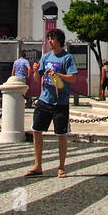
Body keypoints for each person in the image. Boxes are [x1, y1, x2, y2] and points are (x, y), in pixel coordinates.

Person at [25, 29, 77, 178]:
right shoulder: (45, 57)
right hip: (44, 100)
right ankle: (38, 164)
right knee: (36, 130)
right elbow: (37, 79)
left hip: (60, 102)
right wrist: (35, 71)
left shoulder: (67, 58)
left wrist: (58, 74)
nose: (49, 41)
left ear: (59, 40)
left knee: (61, 134)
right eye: (48, 38)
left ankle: (61, 167)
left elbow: (73, 78)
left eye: (52, 38)